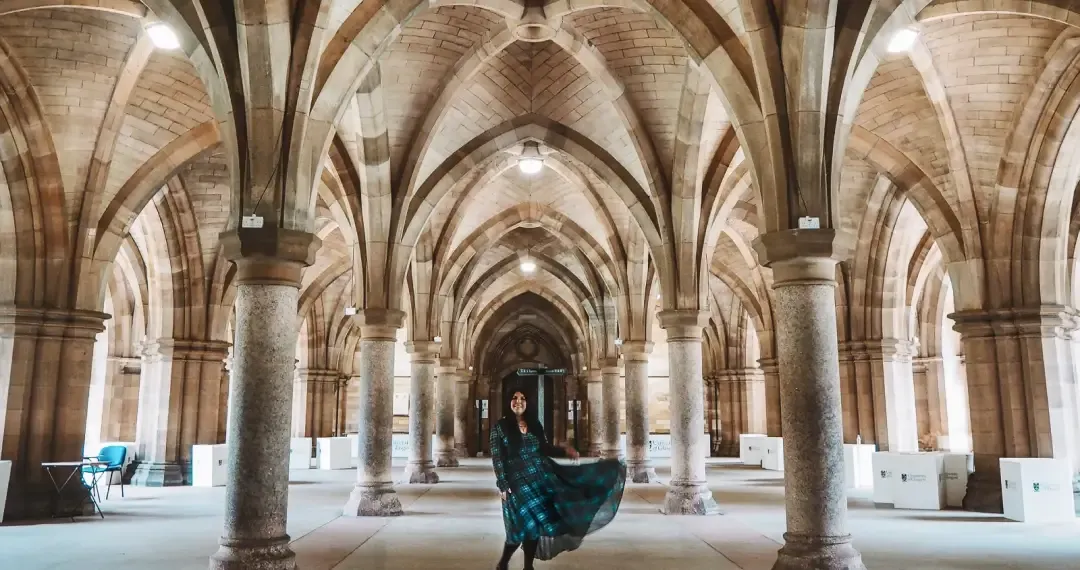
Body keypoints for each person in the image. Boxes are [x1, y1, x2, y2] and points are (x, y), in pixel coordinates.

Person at [490, 386, 626, 569]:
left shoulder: (534, 424)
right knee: (520, 524)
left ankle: (527, 566)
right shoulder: (500, 427)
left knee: (535, 523)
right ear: (509, 402)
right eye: (515, 398)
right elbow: (498, 458)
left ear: (527, 402)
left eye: (523, 398)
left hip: (539, 479)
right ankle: (503, 563)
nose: (518, 402)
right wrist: (503, 484)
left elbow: (544, 448)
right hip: (516, 484)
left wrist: (564, 451)